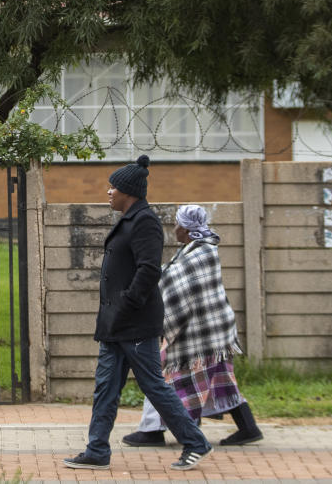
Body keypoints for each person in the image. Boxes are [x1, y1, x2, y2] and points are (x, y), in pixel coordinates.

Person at [63, 156, 214, 472]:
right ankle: (97, 450)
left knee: (154, 387)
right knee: (106, 387)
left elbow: (148, 271)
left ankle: (196, 442)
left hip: (135, 322)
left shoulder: (145, 221)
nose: (108, 192)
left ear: (128, 191)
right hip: (114, 325)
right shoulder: (130, 219)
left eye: (113, 186)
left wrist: (125, 305)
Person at [122, 204, 264, 447]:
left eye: (177, 224)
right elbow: (176, 277)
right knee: (222, 379)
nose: (174, 228)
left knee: (162, 376)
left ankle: (153, 431)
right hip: (212, 333)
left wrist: (147, 277)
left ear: (186, 229)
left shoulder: (201, 253)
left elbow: (177, 285)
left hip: (202, 336)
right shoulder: (199, 248)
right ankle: (248, 427)